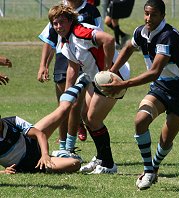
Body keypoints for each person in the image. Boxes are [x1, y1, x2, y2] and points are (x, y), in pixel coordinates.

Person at [101, 0, 179, 190]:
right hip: (161, 86)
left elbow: (154, 72)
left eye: (153, 15)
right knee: (140, 121)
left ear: (162, 16)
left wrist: (124, 83)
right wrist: (112, 71)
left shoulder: (168, 36)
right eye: (146, 13)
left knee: (166, 140)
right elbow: (129, 47)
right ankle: (148, 170)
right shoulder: (141, 32)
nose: (148, 18)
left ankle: (154, 167)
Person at [47, 3, 130, 174]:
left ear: (71, 20)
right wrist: (67, 97)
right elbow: (72, 68)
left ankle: (108, 164)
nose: (58, 26)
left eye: (62, 22)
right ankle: (101, 157)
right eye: (55, 23)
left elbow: (109, 39)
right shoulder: (65, 40)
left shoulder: (80, 32)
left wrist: (109, 71)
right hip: (96, 79)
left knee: (93, 119)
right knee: (85, 115)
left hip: (115, 78)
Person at [38, 0, 103, 149]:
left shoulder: (91, 11)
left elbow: (100, 38)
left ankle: (69, 146)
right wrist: (43, 65)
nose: (59, 25)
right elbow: (49, 40)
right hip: (63, 58)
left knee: (75, 106)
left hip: (84, 59)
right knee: (64, 104)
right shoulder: (58, 11)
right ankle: (63, 146)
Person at [0, 73, 91, 174]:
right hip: (32, 164)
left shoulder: (13, 121)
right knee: (75, 163)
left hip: (33, 142)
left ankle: (83, 81)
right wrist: (3, 171)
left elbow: (39, 134)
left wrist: (45, 155)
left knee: (64, 110)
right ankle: (58, 157)